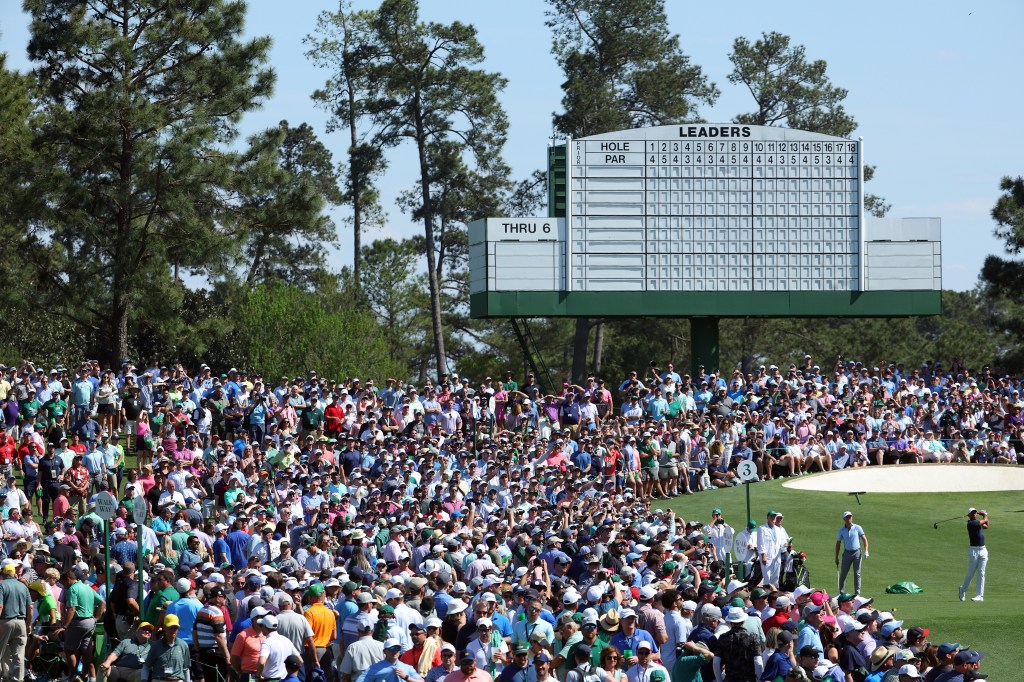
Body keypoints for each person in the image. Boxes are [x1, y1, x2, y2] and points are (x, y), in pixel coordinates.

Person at [0, 563, 33, 682]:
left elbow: (0, 606)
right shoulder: (23, 586)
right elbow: (30, 607)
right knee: (19, 655)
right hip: (21, 622)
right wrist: (28, 624)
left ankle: (4, 676)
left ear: (3, 572)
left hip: (5, 621)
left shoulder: (2, 586)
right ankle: (17, 679)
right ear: (14, 573)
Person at [142, 614, 192, 682]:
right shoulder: (156, 645)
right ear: (164, 627)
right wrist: (143, 679)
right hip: (159, 679)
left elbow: (186, 669)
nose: (173, 630)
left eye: (175, 627)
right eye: (170, 627)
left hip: (177, 680)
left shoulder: (183, 645)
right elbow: (146, 667)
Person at [356, 638, 422, 682]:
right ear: (385, 651)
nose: (395, 651)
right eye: (392, 649)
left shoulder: (407, 668)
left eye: (397, 648)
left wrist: (406, 677)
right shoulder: (374, 668)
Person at [835, 511, 869, 596]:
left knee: (857, 573)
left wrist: (866, 551)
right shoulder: (842, 530)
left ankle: (857, 594)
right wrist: (836, 556)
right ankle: (841, 593)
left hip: (857, 553)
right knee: (843, 573)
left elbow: (864, 539)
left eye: (850, 517)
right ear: (844, 519)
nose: (849, 519)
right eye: (847, 517)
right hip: (847, 553)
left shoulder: (857, 527)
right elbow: (838, 543)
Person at [958, 508, 988, 602]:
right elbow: (985, 520)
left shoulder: (978, 522)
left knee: (981, 572)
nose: (975, 514)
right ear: (969, 515)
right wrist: (985, 515)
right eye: (973, 513)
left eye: (975, 512)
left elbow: (986, 526)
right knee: (971, 573)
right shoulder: (971, 523)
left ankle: (980, 596)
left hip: (983, 550)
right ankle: (963, 589)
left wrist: (984, 516)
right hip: (974, 551)